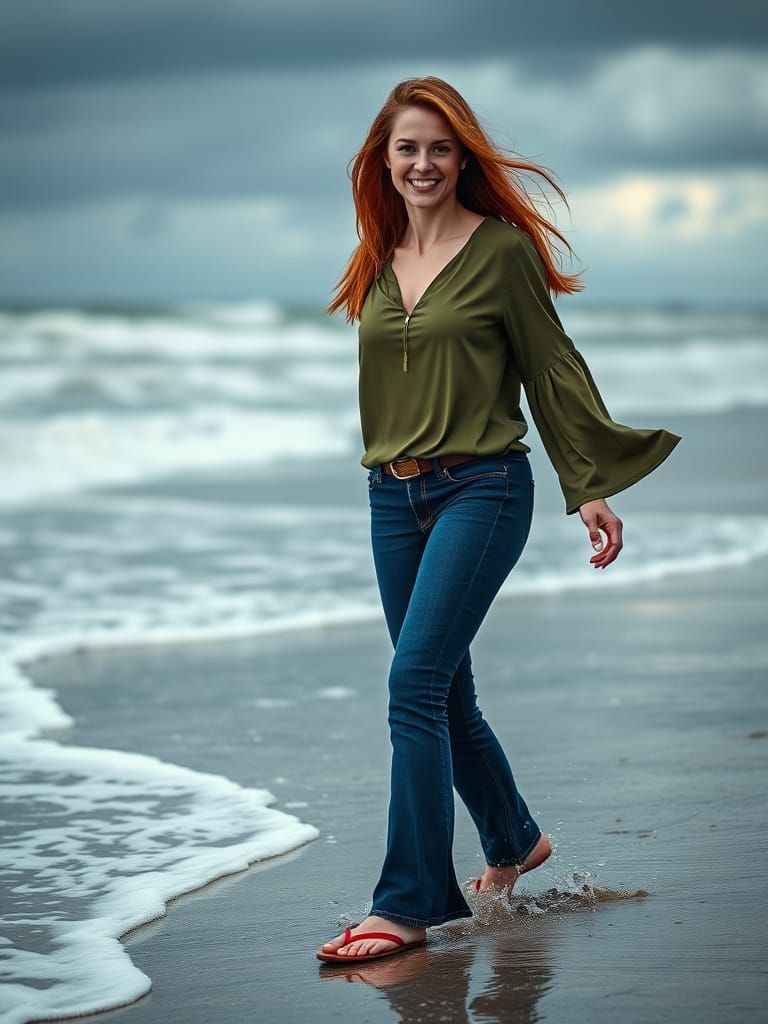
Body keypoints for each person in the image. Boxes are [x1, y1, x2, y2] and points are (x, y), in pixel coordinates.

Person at [317, 76, 681, 965]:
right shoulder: (374, 255)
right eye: (408, 147)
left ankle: (405, 903)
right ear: (384, 160)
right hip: (390, 498)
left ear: (461, 157)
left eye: (440, 147)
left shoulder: (503, 251)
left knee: (412, 686)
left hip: (483, 488)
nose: (424, 163)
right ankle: (514, 839)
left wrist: (587, 482)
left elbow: (552, 367)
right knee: (444, 690)